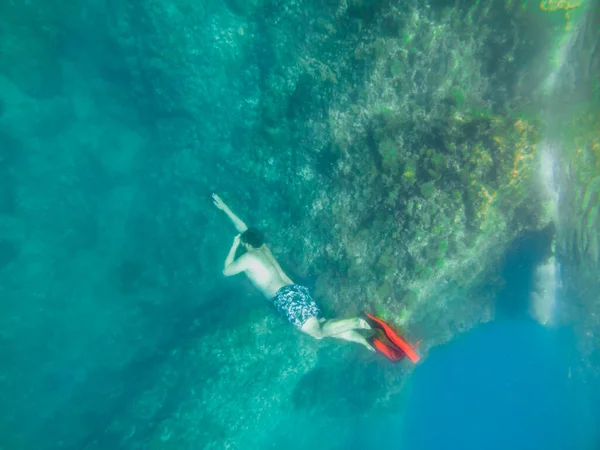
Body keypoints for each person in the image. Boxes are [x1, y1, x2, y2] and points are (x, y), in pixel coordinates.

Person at [212, 193, 375, 352]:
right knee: (322, 323)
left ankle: (357, 323)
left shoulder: (248, 258)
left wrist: (234, 246)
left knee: (318, 333)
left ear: (245, 243)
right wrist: (226, 208)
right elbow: (244, 228)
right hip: (296, 291)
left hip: (285, 298)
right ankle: (362, 340)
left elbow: (227, 271)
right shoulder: (263, 248)